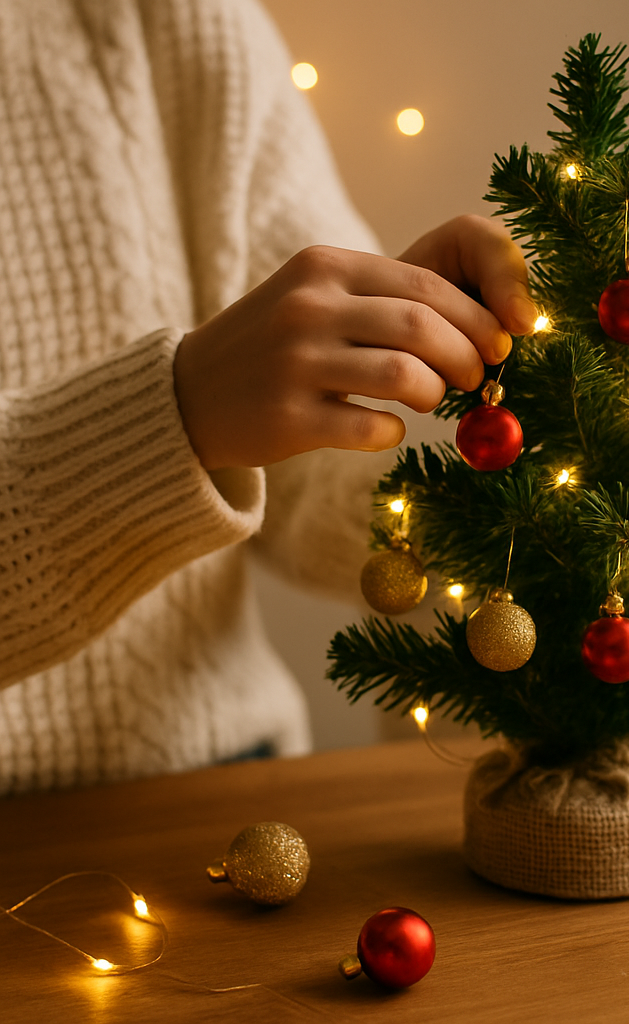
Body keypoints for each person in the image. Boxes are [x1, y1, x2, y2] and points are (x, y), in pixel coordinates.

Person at [0, 0, 534, 794]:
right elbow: (217, 409)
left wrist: (490, 402)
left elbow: (305, 477)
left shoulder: (167, 17)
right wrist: (175, 417)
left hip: (223, 799)